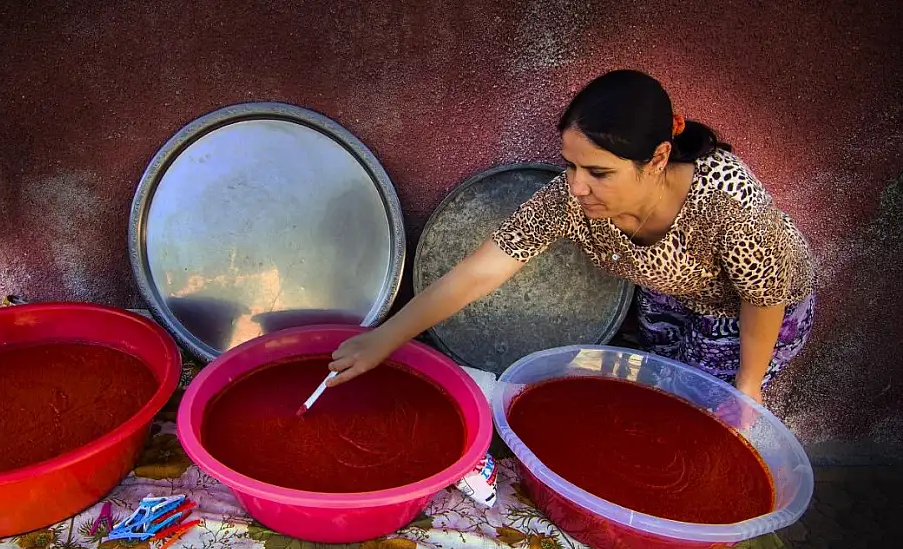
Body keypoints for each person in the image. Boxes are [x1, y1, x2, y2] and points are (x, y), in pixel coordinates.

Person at [328, 69, 815, 404]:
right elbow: (483, 270)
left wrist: (748, 387)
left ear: (660, 158)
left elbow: (764, 296)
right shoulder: (569, 197)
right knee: (651, 388)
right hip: (674, 292)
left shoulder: (731, 207)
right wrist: (385, 338)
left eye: (599, 172)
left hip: (753, 312)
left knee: (702, 408)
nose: (576, 186)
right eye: (571, 165)